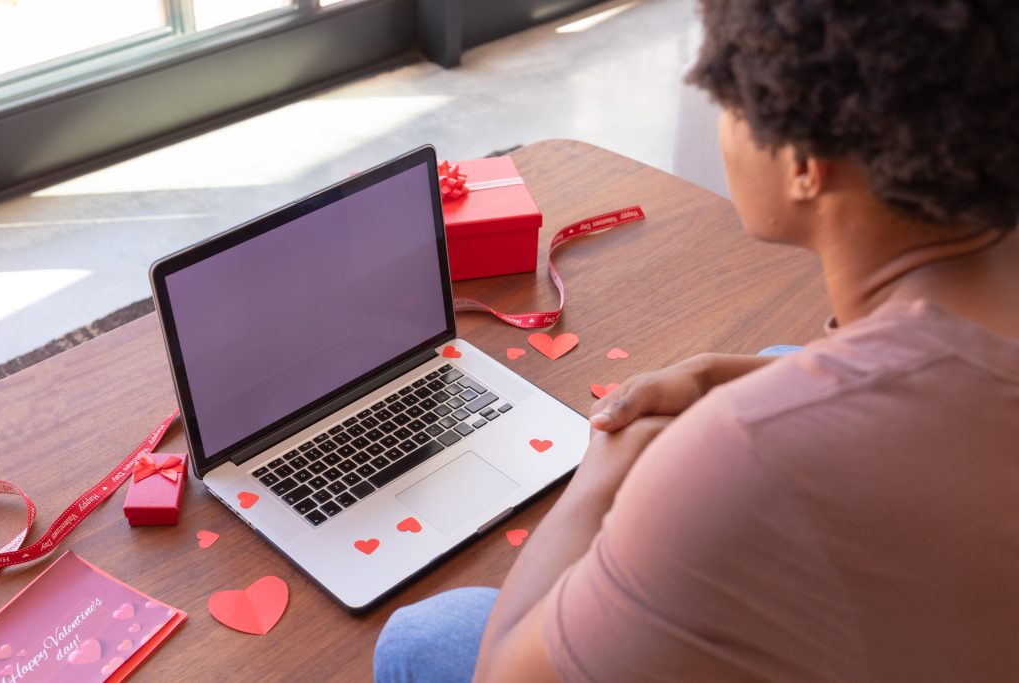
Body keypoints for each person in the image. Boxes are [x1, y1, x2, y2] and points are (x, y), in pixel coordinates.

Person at [374, 0, 1019, 680]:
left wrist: (603, 475)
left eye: (729, 108)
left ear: (804, 161)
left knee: (427, 636)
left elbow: (503, 674)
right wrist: (722, 377)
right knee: (777, 360)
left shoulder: (741, 451)